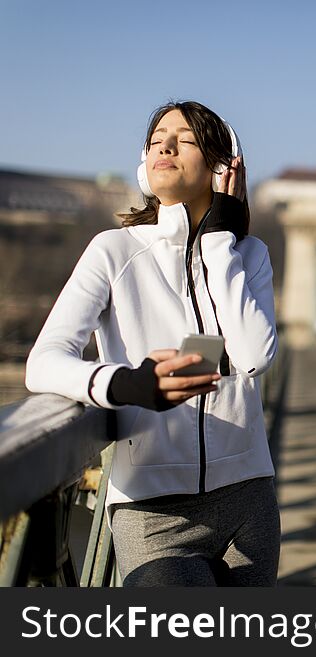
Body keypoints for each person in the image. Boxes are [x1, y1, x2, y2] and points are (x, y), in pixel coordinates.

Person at [25, 100, 280, 586]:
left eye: (183, 139)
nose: (163, 145)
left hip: (250, 504)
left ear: (222, 166)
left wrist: (217, 242)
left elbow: (253, 355)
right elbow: (42, 363)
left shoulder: (249, 256)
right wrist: (128, 384)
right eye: (156, 137)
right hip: (154, 513)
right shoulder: (113, 249)